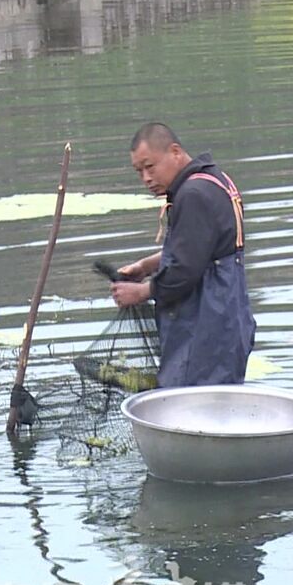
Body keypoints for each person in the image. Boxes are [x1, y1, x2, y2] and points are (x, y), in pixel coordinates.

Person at [111, 123, 256, 388]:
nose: (146, 178)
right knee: (221, 401)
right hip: (229, 323)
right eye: (139, 171)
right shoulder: (216, 180)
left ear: (175, 152)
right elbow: (202, 249)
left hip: (204, 330)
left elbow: (184, 271)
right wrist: (146, 266)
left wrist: (141, 292)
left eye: (150, 166)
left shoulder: (192, 194)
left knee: (191, 403)